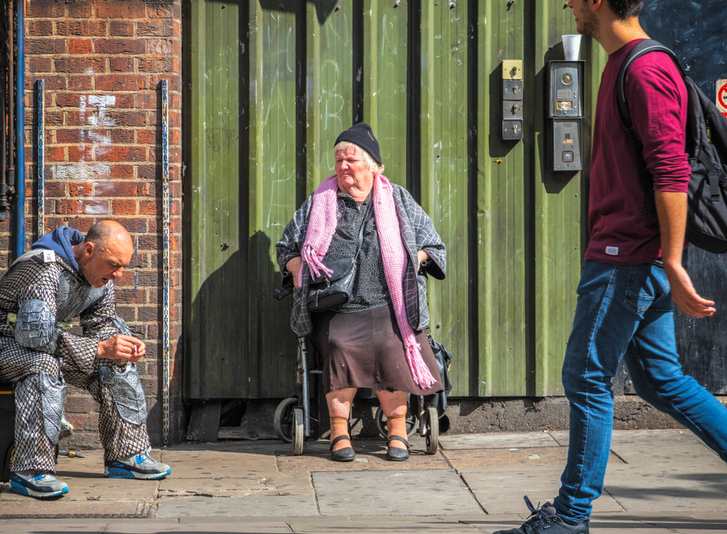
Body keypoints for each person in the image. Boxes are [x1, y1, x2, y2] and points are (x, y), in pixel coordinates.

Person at [495, 1, 727, 533]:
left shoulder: (644, 69)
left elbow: (670, 171)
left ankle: (571, 517)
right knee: (661, 381)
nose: (568, 4)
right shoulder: (622, 63)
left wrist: (670, 260)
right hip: (634, 253)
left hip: (629, 256)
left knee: (585, 375)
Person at [276, 122, 446, 462]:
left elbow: (435, 246)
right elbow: (286, 249)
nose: (342, 167)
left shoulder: (398, 199)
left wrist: (415, 257)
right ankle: (339, 431)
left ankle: (398, 429)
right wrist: (298, 270)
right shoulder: (320, 203)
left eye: (351, 160)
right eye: (339, 160)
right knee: (339, 346)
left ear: (374, 167)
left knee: (393, 343)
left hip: (389, 306)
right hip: (336, 308)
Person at [0, 221, 171, 498]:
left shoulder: (100, 276)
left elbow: (102, 325)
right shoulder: (42, 268)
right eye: (114, 264)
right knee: (43, 367)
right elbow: (35, 337)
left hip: (39, 344)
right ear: (89, 250)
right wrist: (100, 348)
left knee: (115, 364)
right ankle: (30, 471)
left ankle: (126, 456)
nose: (119, 273)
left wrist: (120, 347)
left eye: (123, 265)